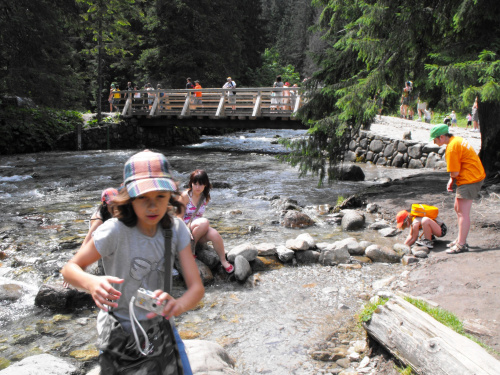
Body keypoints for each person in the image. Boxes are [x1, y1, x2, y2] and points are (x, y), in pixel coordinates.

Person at [62, 150, 204, 373]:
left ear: (171, 195)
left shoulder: (175, 230)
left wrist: (178, 306)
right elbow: (70, 269)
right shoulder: (114, 231)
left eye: (160, 196)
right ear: (129, 198)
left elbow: (196, 287)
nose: (153, 206)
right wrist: (91, 283)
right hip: (119, 334)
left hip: (162, 328)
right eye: (143, 197)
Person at [430, 124, 486, 254]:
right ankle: (460, 239)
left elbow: (454, 172)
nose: (434, 142)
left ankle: (461, 244)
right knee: (457, 208)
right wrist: (452, 181)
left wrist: (451, 179)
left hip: (470, 179)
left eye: (435, 139)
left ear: (442, 137)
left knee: (462, 212)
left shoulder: (451, 148)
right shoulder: (457, 140)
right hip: (472, 176)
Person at [177, 169, 234, 274]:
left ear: (205, 185)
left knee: (215, 234)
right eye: (195, 184)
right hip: (184, 230)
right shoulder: (185, 196)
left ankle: (223, 261)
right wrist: (186, 230)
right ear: (191, 183)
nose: (197, 187)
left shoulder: (205, 198)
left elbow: (198, 216)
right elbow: (178, 218)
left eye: (201, 184)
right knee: (204, 222)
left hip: (196, 229)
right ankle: (189, 251)